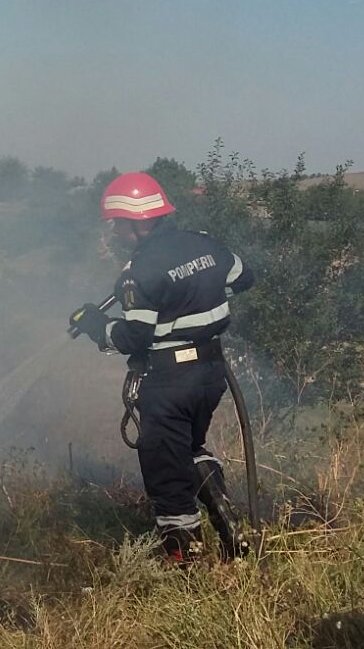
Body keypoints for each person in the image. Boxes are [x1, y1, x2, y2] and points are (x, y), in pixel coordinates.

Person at [69, 172, 255, 562]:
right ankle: (225, 516)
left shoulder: (140, 271)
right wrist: (197, 292)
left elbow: (133, 337)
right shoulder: (204, 243)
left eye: (118, 223)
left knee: (166, 474)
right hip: (211, 374)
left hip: (169, 381)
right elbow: (243, 278)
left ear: (136, 222)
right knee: (189, 448)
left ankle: (186, 567)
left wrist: (96, 326)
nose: (115, 230)